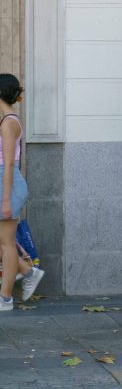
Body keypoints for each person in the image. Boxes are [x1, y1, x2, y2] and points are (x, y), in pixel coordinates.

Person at [0, 75, 44, 312]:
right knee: (3, 242)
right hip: (4, 182)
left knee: (6, 243)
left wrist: (6, 200)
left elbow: (8, 164)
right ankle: (27, 272)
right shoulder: (6, 120)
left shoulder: (9, 123)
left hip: (7, 183)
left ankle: (5, 299)